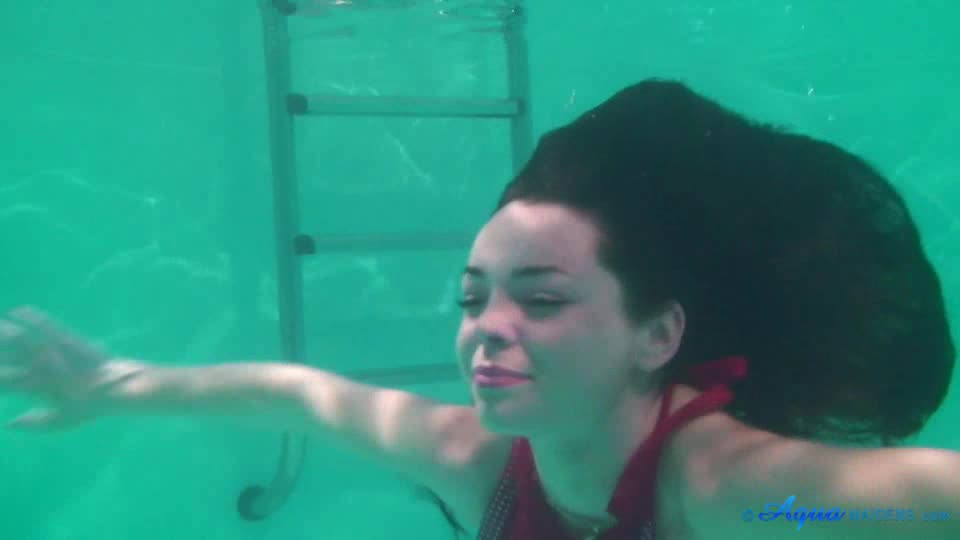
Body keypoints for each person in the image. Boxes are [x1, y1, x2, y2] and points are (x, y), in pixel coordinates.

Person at [1, 79, 958, 540]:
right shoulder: (481, 467)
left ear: (657, 335)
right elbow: (293, 394)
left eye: (541, 298)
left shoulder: (723, 489)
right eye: (472, 296)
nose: (486, 328)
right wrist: (112, 386)